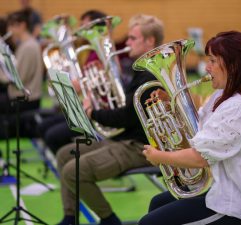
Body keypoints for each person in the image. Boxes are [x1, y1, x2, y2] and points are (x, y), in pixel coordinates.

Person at [139, 31, 241, 225]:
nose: (207, 67)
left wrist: (159, 157)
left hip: (239, 207)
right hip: (227, 191)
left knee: (150, 222)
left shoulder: (239, 107)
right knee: (158, 202)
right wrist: (171, 102)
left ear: (233, 66)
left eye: (213, 61)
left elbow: (199, 158)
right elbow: (200, 126)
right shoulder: (226, 95)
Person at [55, 14, 164, 225]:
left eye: (132, 38)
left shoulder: (150, 74)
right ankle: (70, 217)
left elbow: (126, 117)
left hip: (140, 147)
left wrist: (93, 113)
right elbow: (126, 110)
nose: (126, 42)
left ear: (150, 41)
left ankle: (109, 220)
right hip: (124, 138)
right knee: (64, 155)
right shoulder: (140, 69)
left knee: (72, 170)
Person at [37, 9, 107, 154]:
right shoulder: (89, 51)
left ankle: (74, 164)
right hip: (85, 108)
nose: (80, 30)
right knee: (45, 127)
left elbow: (82, 86)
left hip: (97, 112)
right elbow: (82, 81)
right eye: (81, 25)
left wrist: (65, 84)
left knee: (51, 134)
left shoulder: (100, 52)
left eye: (85, 26)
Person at [0, 9, 43, 138]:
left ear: (22, 25)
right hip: (23, 96)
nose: (9, 30)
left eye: (12, 26)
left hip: (25, 99)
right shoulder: (25, 44)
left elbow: (18, 80)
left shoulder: (28, 46)